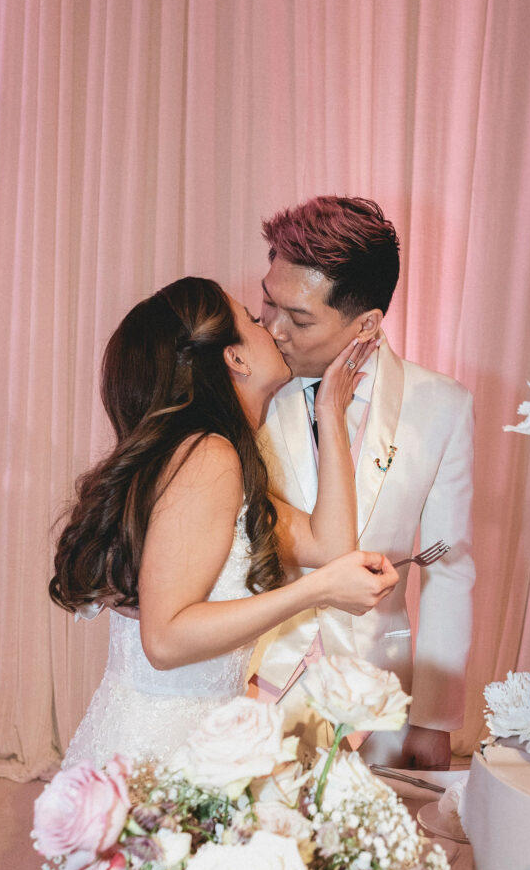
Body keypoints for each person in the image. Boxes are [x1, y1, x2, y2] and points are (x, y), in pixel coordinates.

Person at [50, 277, 397, 768]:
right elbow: (165, 641)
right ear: (234, 358)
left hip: (181, 730)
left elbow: (329, 546)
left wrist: (330, 411)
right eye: (255, 321)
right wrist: (316, 591)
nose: (272, 328)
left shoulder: (215, 455)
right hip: (168, 747)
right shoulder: (208, 456)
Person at [253, 196, 475, 769]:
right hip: (250, 683)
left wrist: (433, 717)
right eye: (267, 301)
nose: (272, 329)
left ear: (367, 324)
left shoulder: (442, 407)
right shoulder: (241, 380)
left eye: (298, 318)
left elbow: (449, 569)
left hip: (378, 697)